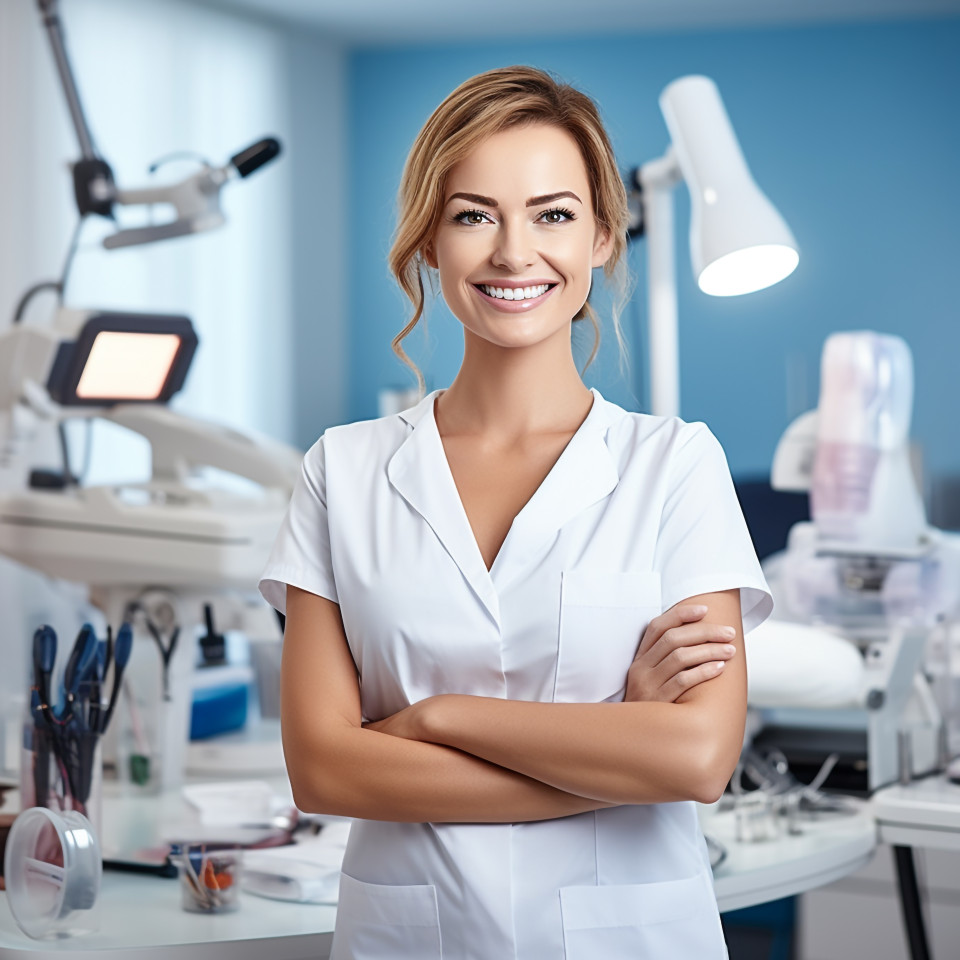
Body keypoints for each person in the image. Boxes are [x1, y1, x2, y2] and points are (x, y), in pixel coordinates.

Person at [258, 65, 772, 960]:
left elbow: (696, 759)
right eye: (472, 215)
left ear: (604, 235)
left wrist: (434, 717)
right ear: (428, 242)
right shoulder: (343, 471)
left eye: (553, 213)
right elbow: (326, 770)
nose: (512, 251)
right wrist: (617, 746)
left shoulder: (675, 465)